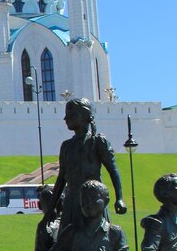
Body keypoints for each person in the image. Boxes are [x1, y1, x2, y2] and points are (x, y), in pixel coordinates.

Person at [51, 97, 127, 232]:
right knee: (68, 244)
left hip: (93, 201)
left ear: (84, 116)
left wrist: (119, 198)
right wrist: (52, 206)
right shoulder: (66, 146)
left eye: (70, 115)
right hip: (72, 201)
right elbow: (61, 178)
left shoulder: (97, 142)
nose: (65, 118)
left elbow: (113, 170)